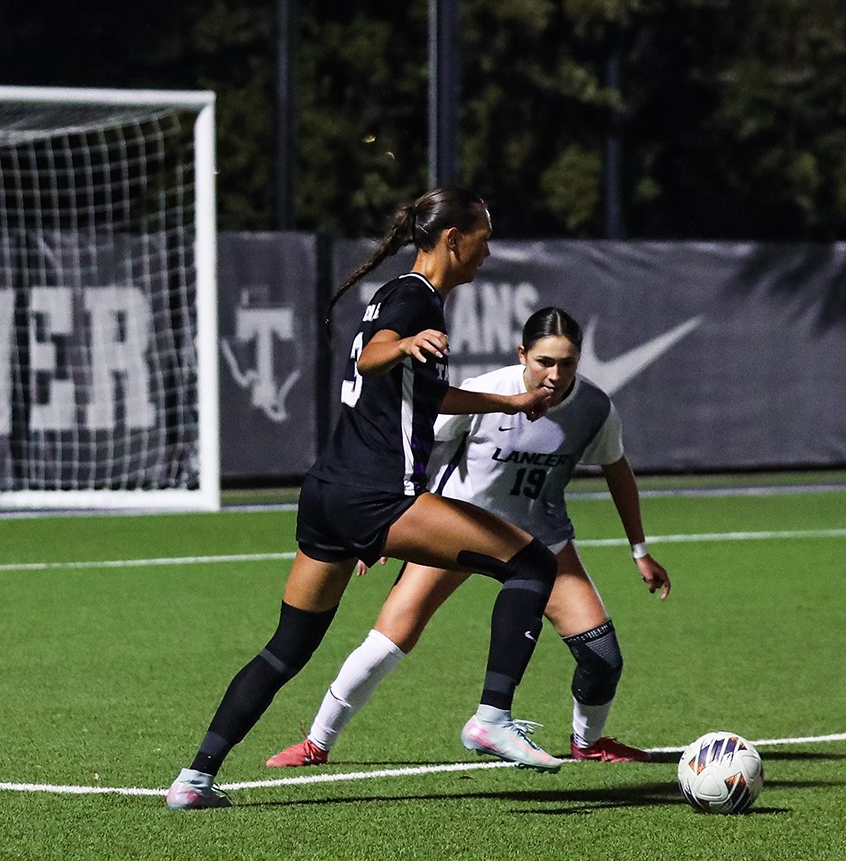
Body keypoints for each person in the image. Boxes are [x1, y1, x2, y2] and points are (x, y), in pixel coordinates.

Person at [168, 186, 565, 811]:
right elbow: (382, 351)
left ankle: (194, 780)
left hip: (328, 493)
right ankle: (491, 717)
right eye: (483, 240)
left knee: (287, 648)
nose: (487, 254)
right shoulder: (412, 299)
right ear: (453, 239)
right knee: (532, 563)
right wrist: (399, 346)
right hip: (376, 495)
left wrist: (509, 403)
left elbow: (425, 394)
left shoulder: (398, 294)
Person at [266, 306, 672, 770]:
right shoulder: (482, 394)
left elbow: (617, 471)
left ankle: (588, 742)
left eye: (568, 363)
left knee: (602, 656)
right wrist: (380, 525)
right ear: (522, 354)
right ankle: (317, 743)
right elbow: (419, 450)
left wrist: (639, 551)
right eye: (544, 361)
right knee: (386, 642)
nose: (555, 374)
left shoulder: (595, 407)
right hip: (460, 532)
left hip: (543, 542)